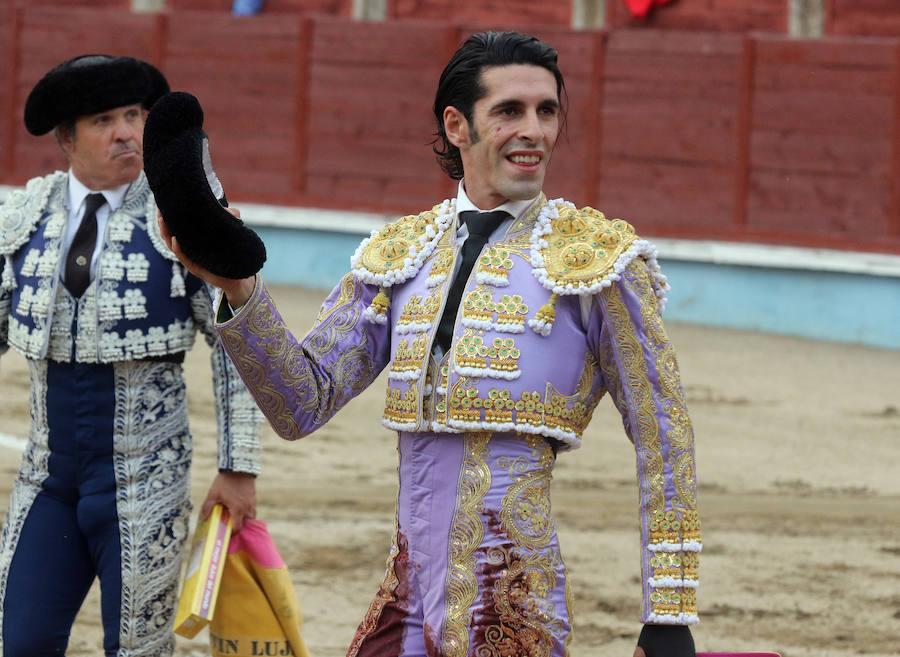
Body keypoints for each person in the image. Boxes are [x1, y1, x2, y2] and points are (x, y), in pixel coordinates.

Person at [163, 31, 700, 657]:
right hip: (405, 596)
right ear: (457, 124)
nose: (536, 131)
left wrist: (669, 612)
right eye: (510, 111)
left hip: (513, 599)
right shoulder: (402, 253)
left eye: (547, 111)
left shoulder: (597, 263)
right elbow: (300, 402)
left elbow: (665, 435)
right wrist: (240, 289)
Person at [0, 54, 263, 657]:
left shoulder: (186, 210)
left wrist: (238, 465)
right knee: (21, 643)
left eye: (135, 115)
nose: (126, 132)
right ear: (66, 137)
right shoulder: (24, 215)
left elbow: (236, 339)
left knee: (140, 651)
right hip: (46, 476)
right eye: (104, 120)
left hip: (147, 478)